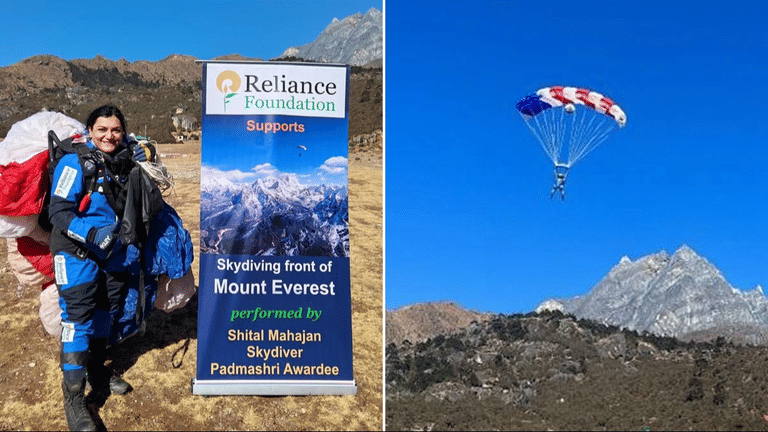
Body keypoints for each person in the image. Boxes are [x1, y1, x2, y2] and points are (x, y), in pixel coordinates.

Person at [48, 105, 155, 431]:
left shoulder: (125, 161)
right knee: (78, 319)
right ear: (90, 131)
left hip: (112, 253)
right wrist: (92, 234)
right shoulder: (74, 162)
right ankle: (74, 398)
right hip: (76, 252)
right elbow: (58, 211)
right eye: (102, 130)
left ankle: (97, 370)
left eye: (116, 130)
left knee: (105, 313)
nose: (109, 136)